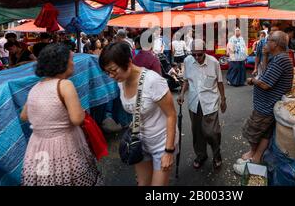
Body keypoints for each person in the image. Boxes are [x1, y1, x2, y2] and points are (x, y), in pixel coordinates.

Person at [20, 44, 102, 186]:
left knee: (44, 180)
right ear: (61, 63)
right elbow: (77, 119)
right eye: (71, 59)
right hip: (64, 145)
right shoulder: (65, 85)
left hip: (38, 147)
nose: (73, 63)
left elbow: (24, 116)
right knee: (70, 179)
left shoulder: (35, 87)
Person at [99, 42, 178, 186]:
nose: (111, 76)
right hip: (140, 141)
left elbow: (171, 115)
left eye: (113, 70)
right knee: (143, 183)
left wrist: (169, 151)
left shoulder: (153, 81)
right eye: (107, 72)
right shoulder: (120, 82)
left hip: (161, 142)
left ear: (128, 62)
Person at [234, 31, 293, 175]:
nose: (266, 43)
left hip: (266, 105)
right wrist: (265, 55)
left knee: (252, 131)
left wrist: (252, 80)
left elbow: (266, 84)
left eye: (269, 41)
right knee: (264, 134)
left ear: (276, 44)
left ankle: (254, 159)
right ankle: (255, 156)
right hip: (266, 104)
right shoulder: (278, 57)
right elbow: (266, 72)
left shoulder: (280, 59)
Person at [178, 40, 226, 169]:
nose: (196, 57)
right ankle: (201, 155)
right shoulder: (188, 61)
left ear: (204, 52)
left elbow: (220, 82)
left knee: (211, 132)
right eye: (194, 54)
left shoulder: (214, 63)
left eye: (199, 54)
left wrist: (223, 100)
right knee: (197, 132)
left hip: (210, 102)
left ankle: (216, 154)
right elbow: (186, 80)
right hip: (194, 102)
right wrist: (182, 93)